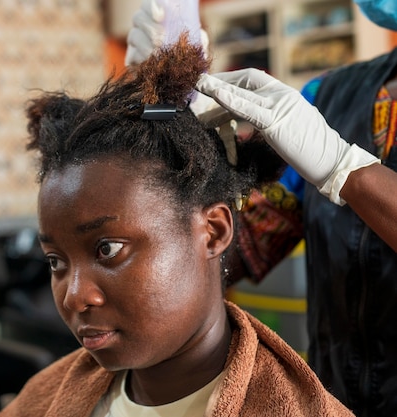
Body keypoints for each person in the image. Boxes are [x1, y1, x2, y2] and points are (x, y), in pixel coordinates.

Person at [0, 34, 353, 416]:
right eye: (55, 261)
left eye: (108, 249)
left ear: (213, 231)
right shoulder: (44, 399)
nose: (74, 297)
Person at [125, 1, 397, 416]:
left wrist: (347, 169)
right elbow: (233, 248)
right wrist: (174, 139)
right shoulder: (328, 97)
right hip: (333, 401)